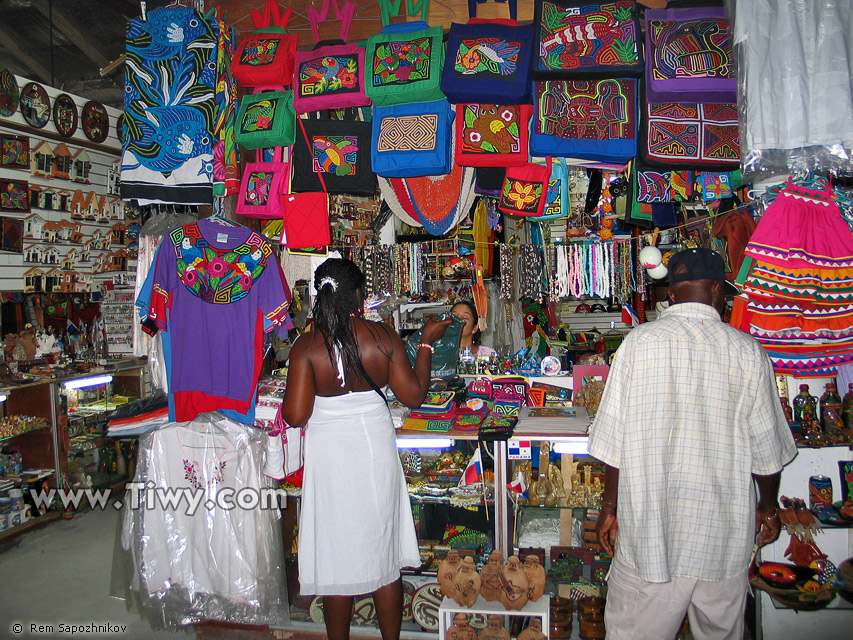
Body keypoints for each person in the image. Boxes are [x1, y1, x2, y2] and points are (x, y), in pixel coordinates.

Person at [588, 247, 797, 640]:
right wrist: (768, 510)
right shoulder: (748, 352)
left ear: (670, 292)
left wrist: (609, 508)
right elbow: (768, 455)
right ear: (718, 291)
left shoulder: (638, 344)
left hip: (652, 537)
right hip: (722, 539)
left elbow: (612, 444)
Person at [282, 258, 451, 640]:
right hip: (374, 449)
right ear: (359, 294)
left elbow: (294, 415)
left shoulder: (306, 346)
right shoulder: (382, 336)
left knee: (335, 554)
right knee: (382, 548)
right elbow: (414, 395)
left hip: (330, 456)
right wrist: (425, 341)